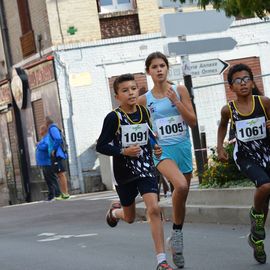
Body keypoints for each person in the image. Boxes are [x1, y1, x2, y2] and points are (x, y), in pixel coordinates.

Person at [96, 73, 173, 270]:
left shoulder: (144, 111)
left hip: (146, 167)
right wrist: (123, 151)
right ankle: (115, 213)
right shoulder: (113, 117)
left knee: (154, 209)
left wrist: (155, 146)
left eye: (133, 88)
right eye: (125, 90)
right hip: (124, 173)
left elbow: (149, 134)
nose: (130, 93)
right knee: (129, 217)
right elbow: (102, 146)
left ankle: (161, 261)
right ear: (117, 96)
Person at [138, 51, 197, 269]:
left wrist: (177, 102)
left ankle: (177, 234)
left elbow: (192, 121)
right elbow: (139, 127)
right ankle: (175, 238)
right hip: (162, 152)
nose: (159, 69)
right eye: (154, 67)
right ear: (149, 72)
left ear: (167, 68)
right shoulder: (145, 100)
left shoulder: (179, 90)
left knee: (181, 195)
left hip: (182, 148)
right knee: (179, 185)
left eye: (162, 65)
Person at [217, 63, 270, 264]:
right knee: (265, 186)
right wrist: (220, 147)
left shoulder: (264, 102)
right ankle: (255, 215)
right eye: (238, 81)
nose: (243, 83)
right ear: (231, 87)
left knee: (265, 199)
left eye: (246, 79)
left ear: (252, 81)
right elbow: (222, 126)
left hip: (267, 153)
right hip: (246, 157)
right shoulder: (228, 110)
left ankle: (256, 240)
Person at [45, 116, 70, 200]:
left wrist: (54, 150)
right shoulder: (52, 128)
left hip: (58, 155)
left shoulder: (52, 128)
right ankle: (63, 194)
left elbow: (58, 139)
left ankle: (65, 194)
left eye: (44, 122)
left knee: (61, 174)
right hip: (56, 155)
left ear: (47, 123)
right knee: (59, 174)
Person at [36, 125, 61, 201]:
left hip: (47, 162)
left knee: (52, 179)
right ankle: (51, 195)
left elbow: (46, 147)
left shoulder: (47, 138)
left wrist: (38, 145)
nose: (39, 132)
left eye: (40, 130)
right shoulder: (43, 138)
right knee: (48, 180)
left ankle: (57, 194)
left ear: (44, 131)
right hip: (43, 163)